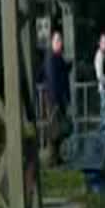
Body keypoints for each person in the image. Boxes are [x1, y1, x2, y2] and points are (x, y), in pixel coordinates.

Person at [44, 29, 72, 157]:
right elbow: (54, 80)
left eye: (60, 40)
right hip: (54, 98)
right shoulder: (52, 59)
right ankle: (53, 157)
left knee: (59, 128)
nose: (59, 43)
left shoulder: (58, 58)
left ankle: (57, 156)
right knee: (55, 129)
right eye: (57, 40)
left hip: (59, 98)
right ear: (52, 43)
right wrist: (56, 100)